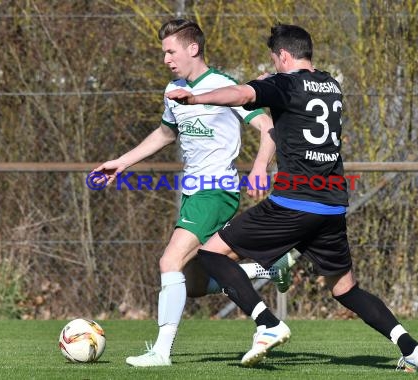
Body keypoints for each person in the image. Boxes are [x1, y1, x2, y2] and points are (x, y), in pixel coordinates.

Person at [166, 24, 418, 372]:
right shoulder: (331, 85)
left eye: (275, 60)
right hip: (332, 204)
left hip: (294, 202)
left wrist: (197, 97)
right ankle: (411, 348)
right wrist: (269, 85)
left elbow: (243, 95)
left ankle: (267, 324)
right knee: (345, 290)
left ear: (284, 56)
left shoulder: (284, 83)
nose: (274, 65)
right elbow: (285, 104)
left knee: (210, 254)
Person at [91, 19, 295, 367]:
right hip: (193, 194)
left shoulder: (224, 86)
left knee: (169, 261)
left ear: (192, 48)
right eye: (164, 53)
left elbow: (268, 128)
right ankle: (269, 267)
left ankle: (160, 353)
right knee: (195, 282)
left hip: (216, 191)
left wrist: (260, 167)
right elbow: (164, 135)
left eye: (171, 51)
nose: (166, 59)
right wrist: (122, 163)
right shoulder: (174, 90)